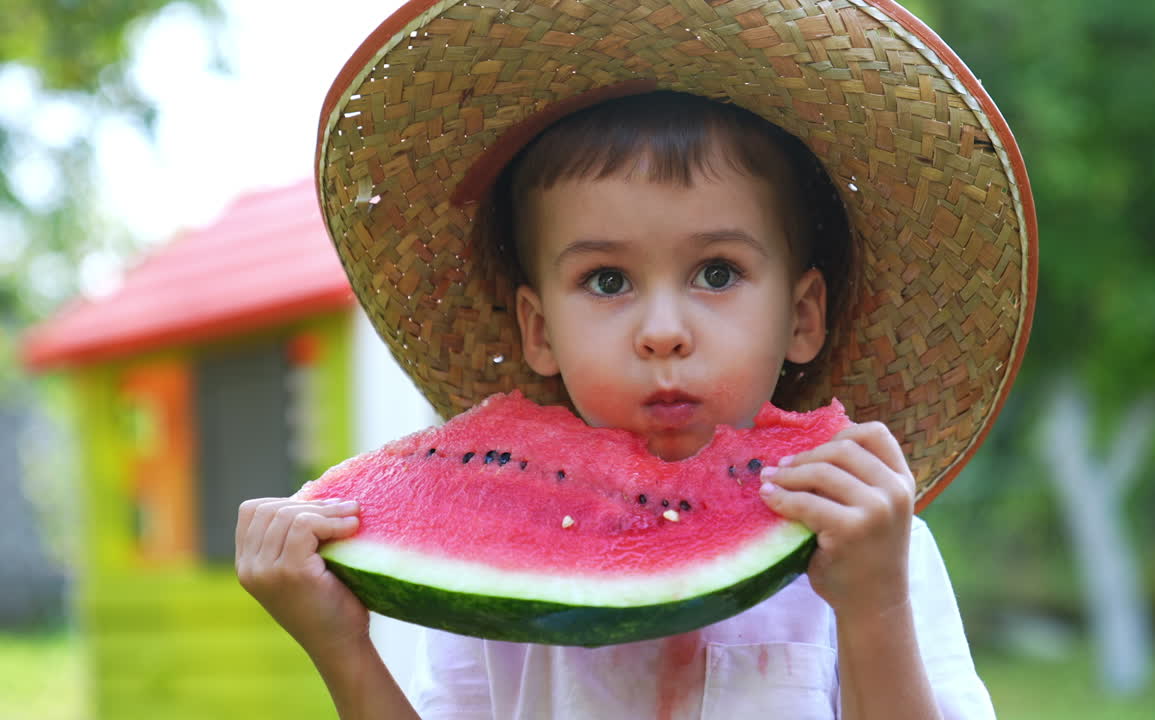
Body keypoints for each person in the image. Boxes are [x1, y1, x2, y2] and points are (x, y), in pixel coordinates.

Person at [236, 0, 1037, 718]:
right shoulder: (496, 577)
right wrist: (340, 644)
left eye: (717, 273)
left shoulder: (876, 543)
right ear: (538, 329)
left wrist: (874, 608)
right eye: (607, 279)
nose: (662, 330)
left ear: (801, 317)